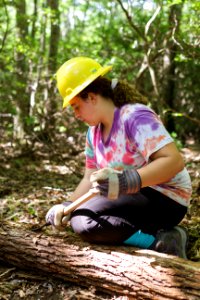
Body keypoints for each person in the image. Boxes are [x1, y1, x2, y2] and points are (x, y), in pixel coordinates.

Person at [46, 57, 192, 259]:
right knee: (81, 218)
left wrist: (125, 181)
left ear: (91, 97)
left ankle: (162, 243)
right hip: (133, 195)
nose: (75, 115)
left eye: (76, 106)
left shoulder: (135, 117)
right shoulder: (92, 133)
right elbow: (89, 178)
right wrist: (66, 205)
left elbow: (173, 161)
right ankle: (161, 237)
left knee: (84, 222)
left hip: (167, 198)